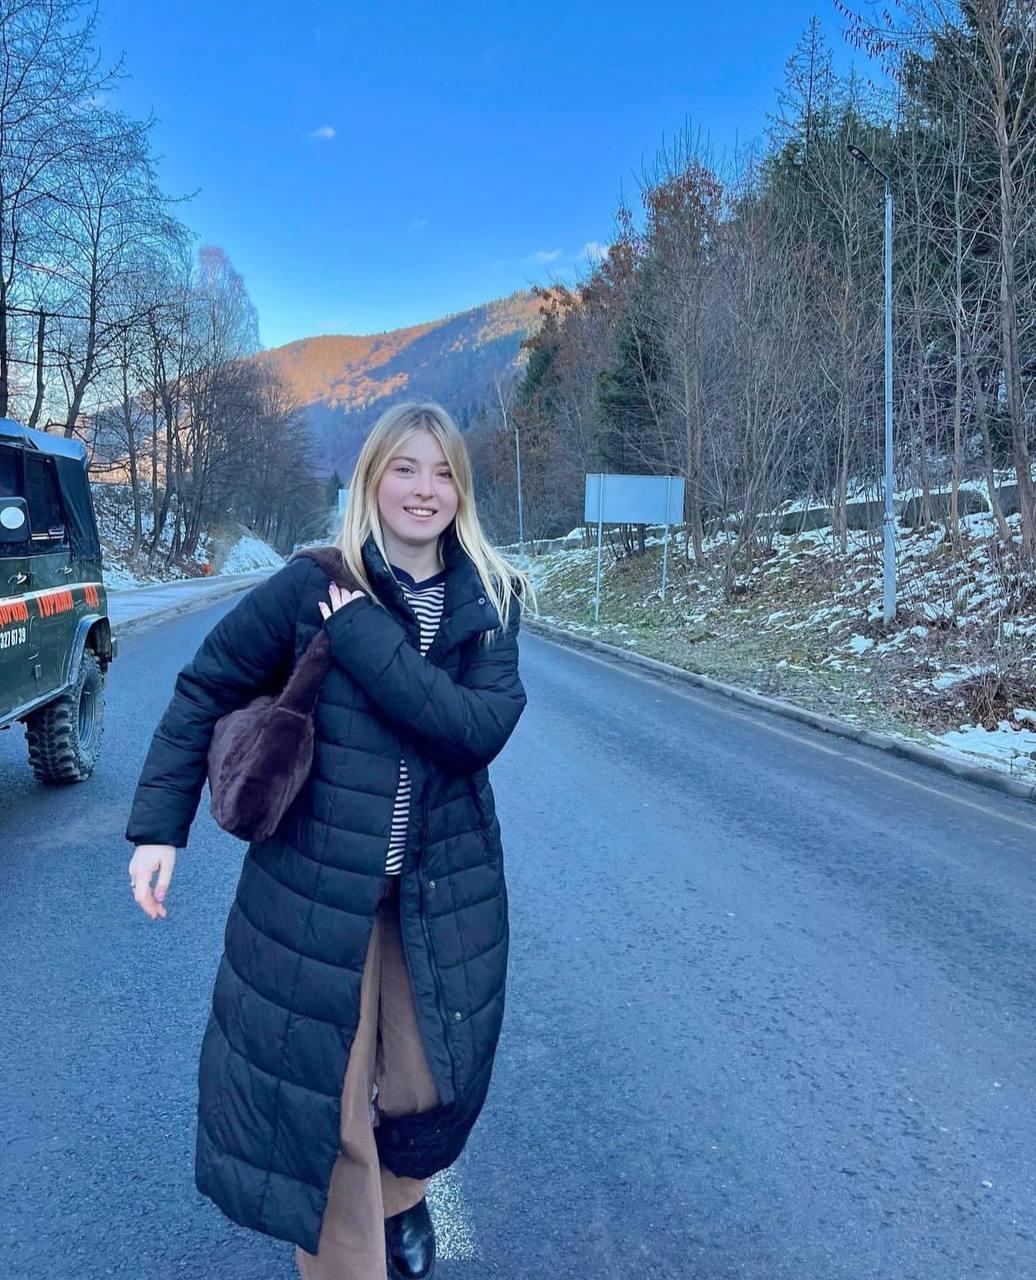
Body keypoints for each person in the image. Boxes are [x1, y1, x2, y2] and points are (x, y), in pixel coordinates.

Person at [125, 401, 536, 1280]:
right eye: (404, 468)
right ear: (371, 480)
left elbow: (473, 730)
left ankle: (400, 1194)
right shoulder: (309, 586)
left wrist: (361, 635)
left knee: (429, 1079)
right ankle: (351, 1259)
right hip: (315, 889)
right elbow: (205, 687)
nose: (424, 490)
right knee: (328, 1097)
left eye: (443, 472)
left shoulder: (489, 600)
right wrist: (160, 830)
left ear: (461, 490)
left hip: (439, 887)